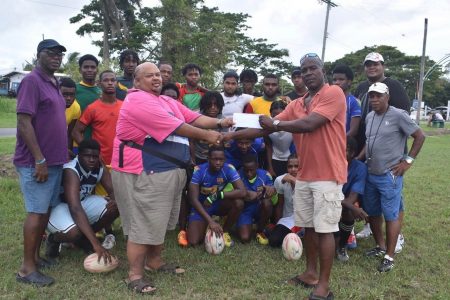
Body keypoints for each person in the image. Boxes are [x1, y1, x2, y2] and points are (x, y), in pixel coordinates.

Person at [224, 53, 347, 299]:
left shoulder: (333, 93)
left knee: (325, 230)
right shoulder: (297, 103)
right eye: (304, 70)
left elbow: (310, 124)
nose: (309, 73)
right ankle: (310, 274)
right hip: (304, 175)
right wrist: (231, 135)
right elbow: (264, 127)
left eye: (313, 68)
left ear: (323, 70)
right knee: (309, 227)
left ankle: (323, 284)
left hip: (327, 174)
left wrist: (276, 124)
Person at [110, 62, 233, 294]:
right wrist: (209, 136)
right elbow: (177, 127)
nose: (156, 78)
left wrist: (220, 122)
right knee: (144, 223)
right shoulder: (138, 100)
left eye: (158, 74)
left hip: (169, 172)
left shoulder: (166, 101)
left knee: (160, 221)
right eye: (149, 76)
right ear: (136, 82)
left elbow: (194, 118)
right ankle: (135, 275)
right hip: (146, 172)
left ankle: (154, 261)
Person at [14, 39, 68, 287]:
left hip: (54, 161)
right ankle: (27, 269)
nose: (56, 57)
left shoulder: (54, 82)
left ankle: (35, 258)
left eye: (59, 54)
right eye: (51, 53)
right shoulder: (31, 81)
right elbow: (24, 122)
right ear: (38, 55)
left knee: (44, 210)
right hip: (37, 161)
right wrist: (39, 159)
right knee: (36, 212)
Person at [361, 83, 425, 272]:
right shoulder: (370, 116)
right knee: (372, 212)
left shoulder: (398, 115)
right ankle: (381, 246)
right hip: (370, 173)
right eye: (371, 96)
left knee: (391, 215)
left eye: (378, 96)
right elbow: (369, 142)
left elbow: (420, 136)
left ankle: (389, 255)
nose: (374, 99)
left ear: (387, 97)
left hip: (390, 175)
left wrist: (408, 161)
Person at [354, 52, 411, 249]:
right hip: (367, 150)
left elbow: (405, 124)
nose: (372, 67)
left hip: (391, 156)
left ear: (383, 66)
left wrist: (406, 159)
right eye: (368, 64)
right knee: (370, 197)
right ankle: (372, 227)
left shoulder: (394, 86)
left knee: (393, 199)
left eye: (376, 64)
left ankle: (398, 236)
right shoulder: (362, 88)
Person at [46, 139, 119, 258]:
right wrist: (96, 243)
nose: (91, 160)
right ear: (79, 155)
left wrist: (115, 201)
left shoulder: (99, 167)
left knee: (115, 206)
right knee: (74, 233)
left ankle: (83, 239)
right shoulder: (71, 170)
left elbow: (113, 191)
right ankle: (54, 239)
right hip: (60, 207)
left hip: (82, 202)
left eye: (95, 156)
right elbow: (75, 208)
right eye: (87, 156)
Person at [187, 146, 246, 247]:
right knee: (194, 241)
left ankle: (225, 231)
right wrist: (210, 222)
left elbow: (242, 191)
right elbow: (193, 199)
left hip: (218, 203)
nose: (218, 162)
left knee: (239, 203)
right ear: (208, 158)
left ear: (225, 159)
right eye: (215, 159)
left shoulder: (229, 169)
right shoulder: (199, 170)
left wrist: (218, 195)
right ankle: (205, 222)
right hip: (202, 206)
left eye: (221, 159)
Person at [72, 70, 122, 166]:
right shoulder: (92, 108)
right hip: (99, 162)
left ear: (117, 83)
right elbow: (75, 132)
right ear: (99, 83)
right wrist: (90, 151)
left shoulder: (125, 106)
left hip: (121, 161)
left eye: (113, 80)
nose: (110, 83)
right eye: (106, 80)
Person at [335, 136, 368, 262]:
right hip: (326, 200)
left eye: (346, 149)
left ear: (353, 153)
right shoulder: (330, 165)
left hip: (343, 204)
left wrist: (352, 207)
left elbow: (352, 198)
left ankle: (342, 246)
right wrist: (355, 209)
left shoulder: (360, 168)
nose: (341, 152)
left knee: (349, 212)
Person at [237, 154, 275, 245]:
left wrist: (271, 191)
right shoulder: (237, 175)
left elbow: (274, 198)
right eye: (246, 171)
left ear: (257, 166)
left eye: (251, 170)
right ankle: (244, 223)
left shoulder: (265, 175)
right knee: (245, 238)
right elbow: (232, 194)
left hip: (260, 208)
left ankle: (260, 230)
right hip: (245, 210)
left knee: (267, 203)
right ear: (242, 168)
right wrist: (245, 194)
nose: (249, 173)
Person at [268, 154, 301, 247]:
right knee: (274, 240)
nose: (293, 169)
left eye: (296, 166)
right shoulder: (280, 180)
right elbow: (280, 204)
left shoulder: (308, 182)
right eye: (290, 166)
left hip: (305, 220)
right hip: (289, 219)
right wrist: (278, 223)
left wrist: (294, 181)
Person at [75, 54, 102, 141]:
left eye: (93, 67)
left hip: (98, 143)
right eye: (86, 67)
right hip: (77, 141)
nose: (89, 70)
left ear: (97, 70)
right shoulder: (73, 90)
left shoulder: (102, 92)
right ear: (80, 70)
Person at [265, 101, 294, 178]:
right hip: (275, 159)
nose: (278, 119)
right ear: (271, 115)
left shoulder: (292, 125)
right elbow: (268, 147)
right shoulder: (267, 127)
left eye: (281, 115)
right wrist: (270, 167)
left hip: (290, 159)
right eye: (275, 116)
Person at [332, 64, 361, 137]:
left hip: (342, 144)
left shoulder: (354, 102)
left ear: (349, 82)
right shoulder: (327, 100)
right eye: (334, 80)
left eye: (341, 79)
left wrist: (337, 143)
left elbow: (353, 131)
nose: (337, 82)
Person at [60, 77, 80, 152]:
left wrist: (68, 150)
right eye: (64, 95)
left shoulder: (76, 108)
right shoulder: (48, 106)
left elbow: (70, 133)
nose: (69, 98)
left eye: (72, 95)